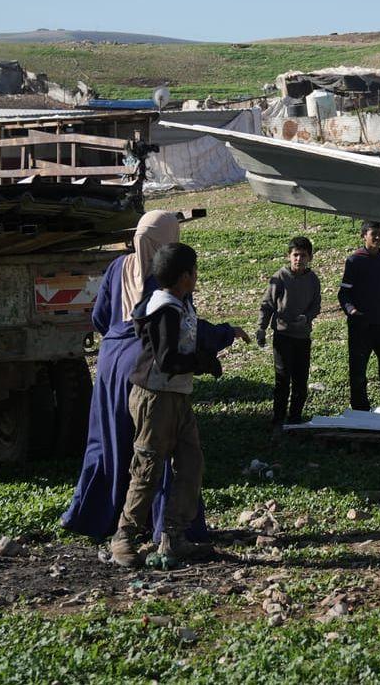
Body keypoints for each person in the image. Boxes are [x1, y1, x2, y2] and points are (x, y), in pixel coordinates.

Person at [61, 211, 212, 546]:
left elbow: (100, 317)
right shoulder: (170, 276)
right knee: (157, 451)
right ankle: (158, 530)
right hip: (148, 368)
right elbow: (184, 332)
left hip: (110, 364)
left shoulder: (118, 266)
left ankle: (102, 517)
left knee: (111, 442)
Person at [111, 242, 247, 567]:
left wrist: (226, 333)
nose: (197, 276)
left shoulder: (178, 304)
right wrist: (203, 363)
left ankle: (173, 537)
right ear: (185, 276)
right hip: (155, 398)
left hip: (177, 396)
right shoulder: (165, 310)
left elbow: (196, 332)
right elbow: (167, 359)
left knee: (190, 462)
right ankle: (123, 539)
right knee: (147, 468)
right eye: (195, 271)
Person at [257, 235, 322, 429]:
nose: (299, 259)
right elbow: (267, 304)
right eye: (295, 255)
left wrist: (307, 317)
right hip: (283, 336)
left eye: (303, 255)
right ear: (289, 256)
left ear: (310, 257)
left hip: (302, 337)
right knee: (282, 379)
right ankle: (278, 419)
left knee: (301, 381)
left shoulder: (313, 279)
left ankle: (295, 420)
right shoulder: (280, 277)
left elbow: (316, 305)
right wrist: (261, 328)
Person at [339, 220, 380, 410]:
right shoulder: (354, 261)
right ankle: (360, 409)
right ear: (363, 235)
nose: (378, 237)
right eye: (374, 233)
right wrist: (352, 311)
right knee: (358, 371)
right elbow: (343, 294)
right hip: (360, 325)